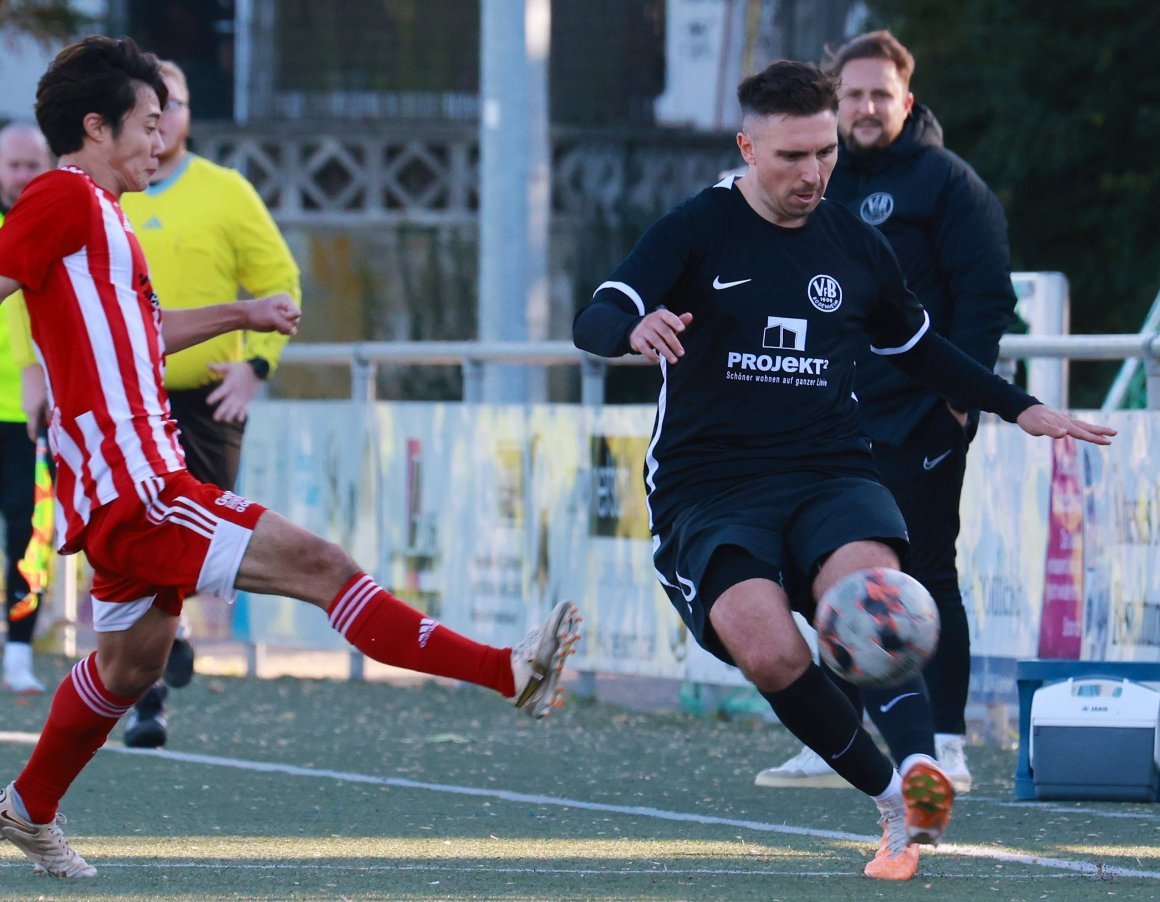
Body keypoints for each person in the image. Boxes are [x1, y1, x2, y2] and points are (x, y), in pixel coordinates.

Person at [0, 36, 581, 880]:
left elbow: (145, 336)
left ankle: (28, 807)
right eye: (149, 124)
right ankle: (508, 674)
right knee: (323, 565)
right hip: (137, 484)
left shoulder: (105, 216)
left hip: (131, 480)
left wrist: (244, 311)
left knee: (134, 662)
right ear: (95, 127)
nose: (162, 141)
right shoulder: (63, 197)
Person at [572, 59, 1112, 881]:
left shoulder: (856, 244)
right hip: (708, 486)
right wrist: (632, 328)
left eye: (824, 153)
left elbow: (921, 348)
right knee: (770, 652)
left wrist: (1019, 406)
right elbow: (597, 315)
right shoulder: (694, 229)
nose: (814, 172)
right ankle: (887, 796)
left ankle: (924, 775)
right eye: (792, 157)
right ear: (749, 147)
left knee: (875, 598)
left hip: (828, 467)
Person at [755, 30, 1017, 795]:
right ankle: (830, 738)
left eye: (879, 95)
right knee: (812, 577)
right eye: (853, 96)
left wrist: (958, 400)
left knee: (926, 575)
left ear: (906, 99)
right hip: (818, 422)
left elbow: (985, 297)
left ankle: (946, 740)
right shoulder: (810, 183)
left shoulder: (947, 183)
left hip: (916, 421)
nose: (864, 109)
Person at [117, 60, 303, 749]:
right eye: (152, 105)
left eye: (179, 103)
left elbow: (280, 281)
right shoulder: (99, 196)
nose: (165, 117)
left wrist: (257, 366)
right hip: (126, 396)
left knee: (192, 540)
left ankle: (175, 634)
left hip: (206, 402)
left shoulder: (225, 192)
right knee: (135, 541)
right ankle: (150, 694)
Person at [0, 122, 52, 695]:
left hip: (30, 413)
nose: (20, 176)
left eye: (30, 165)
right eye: (12, 165)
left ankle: (18, 651)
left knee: (30, 535)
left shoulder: (50, 226)